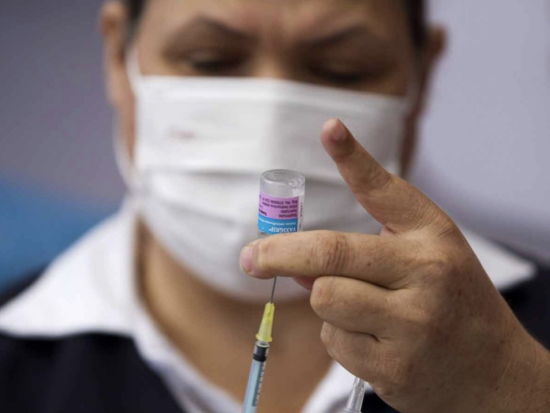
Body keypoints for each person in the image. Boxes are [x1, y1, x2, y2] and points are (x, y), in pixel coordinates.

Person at [0, 1, 549, 412]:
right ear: (118, 57)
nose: (272, 125)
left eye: (342, 68)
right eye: (210, 60)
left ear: (422, 74)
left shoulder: (528, 346)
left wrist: (515, 389)